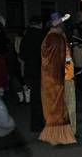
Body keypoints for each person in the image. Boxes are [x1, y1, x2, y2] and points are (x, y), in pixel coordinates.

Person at [39, 12, 76, 145]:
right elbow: (58, 61)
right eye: (62, 22)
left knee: (56, 108)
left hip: (53, 79)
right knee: (65, 107)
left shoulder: (51, 37)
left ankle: (59, 136)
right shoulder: (56, 38)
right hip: (61, 79)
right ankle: (63, 135)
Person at [19, 17, 46, 131]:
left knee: (35, 98)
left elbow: (22, 55)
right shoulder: (42, 36)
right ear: (40, 24)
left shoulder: (26, 37)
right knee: (43, 98)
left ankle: (35, 124)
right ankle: (42, 123)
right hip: (42, 70)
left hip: (31, 71)